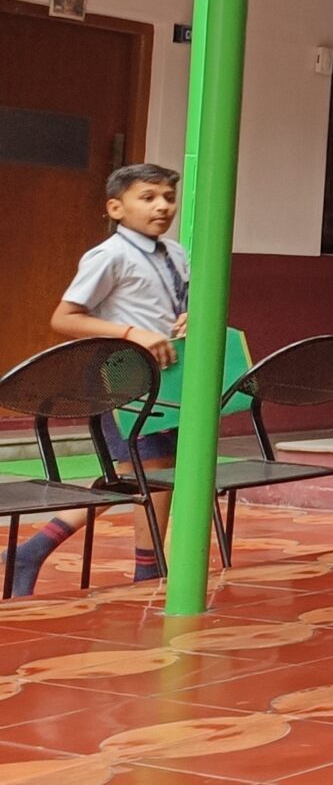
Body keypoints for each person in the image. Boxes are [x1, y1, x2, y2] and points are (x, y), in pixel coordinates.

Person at [8, 164, 189, 596]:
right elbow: (65, 318)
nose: (162, 206)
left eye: (168, 197)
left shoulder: (176, 252)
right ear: (116, 207)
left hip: (168, 378)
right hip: (122, 376)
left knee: (137, 475)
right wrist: (131, 333)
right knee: (151, 473)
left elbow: (175, 303)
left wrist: (187, 317)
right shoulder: (109, 255)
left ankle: (31, 551)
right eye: (148, 197)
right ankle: (149, 574)